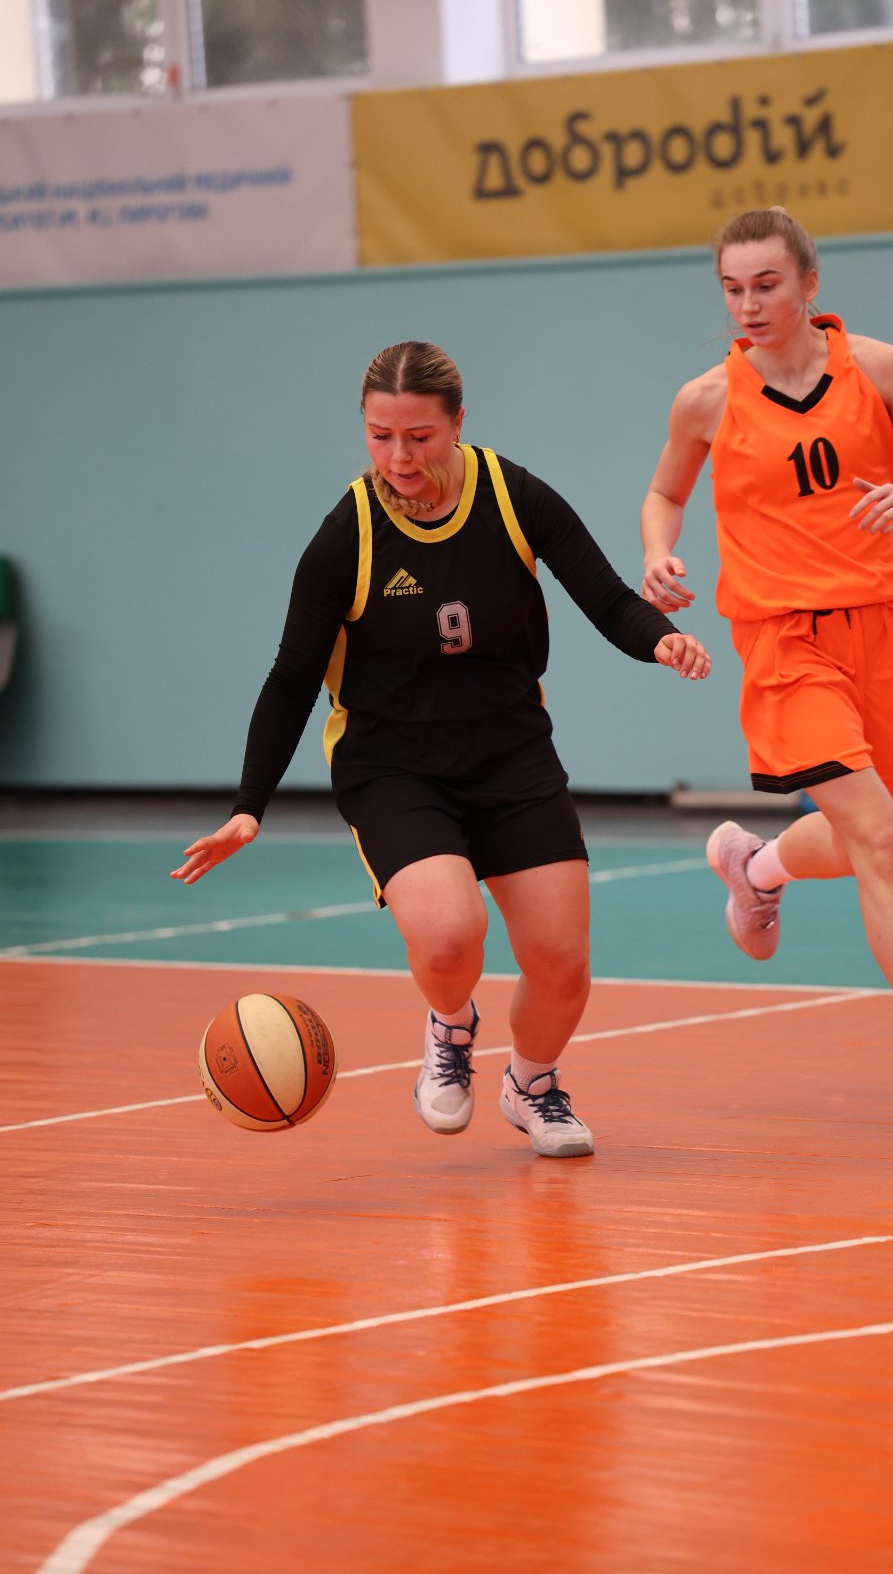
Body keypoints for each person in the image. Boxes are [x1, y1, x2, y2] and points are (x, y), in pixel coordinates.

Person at [172, 340, 710, 1158]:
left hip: (509, 752)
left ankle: (532, 1086)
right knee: (452, 937)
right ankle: (450, 1026)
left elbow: (604, 596)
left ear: (458, 423)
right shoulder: (346, 536)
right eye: (380, 436)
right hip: (392, 766)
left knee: (562, 966)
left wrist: (659, 640)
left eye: (418, 436)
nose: (399, 456)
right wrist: (250, 807)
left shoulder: (511, 495)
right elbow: (291, 679)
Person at [639, 207, 893, 1140]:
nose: (748, 304)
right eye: (732, 289)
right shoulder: (706, 399)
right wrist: (658, 553)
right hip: (782, 640)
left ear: (809, 284)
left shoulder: (879, 369)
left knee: (867, 835)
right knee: (880, 846)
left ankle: (755, 864)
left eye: (765, 284)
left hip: (884, 631)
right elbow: (664, 491)